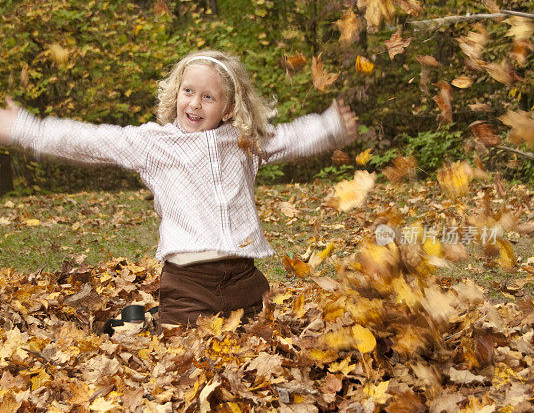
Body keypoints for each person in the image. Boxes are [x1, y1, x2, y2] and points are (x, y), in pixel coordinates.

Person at [0, 50, 357, 327]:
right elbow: (91, 141)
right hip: (187, 284)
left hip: (244, 278)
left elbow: (290, 139)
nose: (195, 103)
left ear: (229, 108)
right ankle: (140, 325)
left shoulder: (243, 140)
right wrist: (25, 129)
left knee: (259, 352)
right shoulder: (155, 143)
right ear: (176, 94)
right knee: (188, 362)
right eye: (189, 91)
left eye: (208, 97)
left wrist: (331, 127)